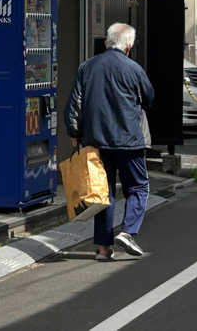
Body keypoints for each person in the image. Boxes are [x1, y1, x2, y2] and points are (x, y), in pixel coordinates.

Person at [65, 22, 154, 261]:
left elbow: (75, 103)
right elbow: (149, 98)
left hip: (96, 139)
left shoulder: (87, 67)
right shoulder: (134, 68)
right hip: (129, 141)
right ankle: (128, 230)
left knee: (102, 192)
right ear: (129, 46)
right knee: (137, 187)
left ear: (106, 43)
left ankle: (104, 249)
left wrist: (75, 133)